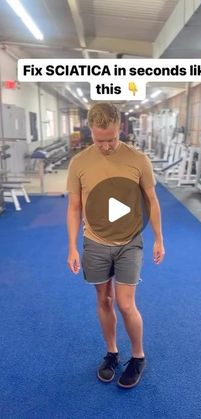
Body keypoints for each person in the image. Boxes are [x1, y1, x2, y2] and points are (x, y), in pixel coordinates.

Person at [66, 102, 165, 389]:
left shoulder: (138, 159)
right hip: (94, 242)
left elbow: (152, 200)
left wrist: (159, 237)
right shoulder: (80, 163)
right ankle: (111, 353)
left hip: (129, 242)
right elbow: (74, 207)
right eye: (100, 140)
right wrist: (72, 246)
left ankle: (138, 357)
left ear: (120, 127)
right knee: (104, 299)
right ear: (91, 131)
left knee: (125, 303)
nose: (106, 146)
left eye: (111, 139)